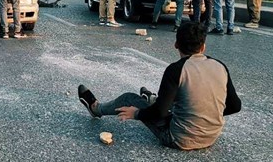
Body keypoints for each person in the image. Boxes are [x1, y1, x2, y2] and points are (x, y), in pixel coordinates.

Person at [77, 21, 241, 150]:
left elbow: (160, 112)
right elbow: (235, 106)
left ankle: (96, 108)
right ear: (203, 46)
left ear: (176, 44)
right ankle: (152, 100)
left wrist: (137, 113)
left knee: (129, 98)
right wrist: (207, 114)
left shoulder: (176, 70)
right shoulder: (220, 66)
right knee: (179, 100)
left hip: (179, 139)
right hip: (211, 137)